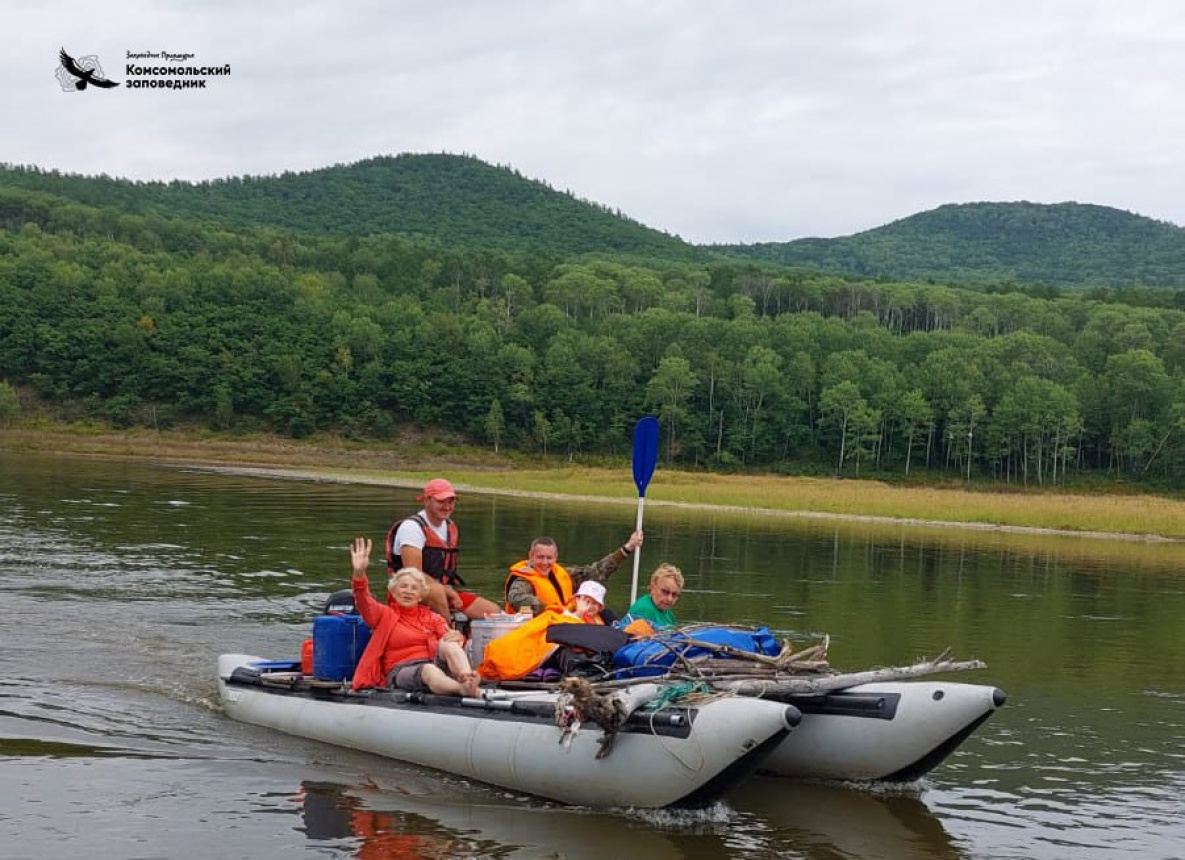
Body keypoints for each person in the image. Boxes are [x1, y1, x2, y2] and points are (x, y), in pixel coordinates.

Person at [348, 536, 481, 696]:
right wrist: (359, 574)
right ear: (394, 591)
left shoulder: (432, 618)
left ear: (420, 596)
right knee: (428, 670)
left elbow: (453, 643)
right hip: (400, 670)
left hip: (432, 661)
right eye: (403, 587)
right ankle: (461, 689)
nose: (408, 591)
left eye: (413, 588)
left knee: (449, 644)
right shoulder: (384, 614)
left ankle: (467, 679)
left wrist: (458, 637)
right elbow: (363, 601)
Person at [387, 478, 500, 626]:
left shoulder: (450, 526)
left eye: (451, 502)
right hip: (409, 591)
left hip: (442, 591)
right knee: (437, 592)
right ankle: (447, 633)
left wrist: (449, 590)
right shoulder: (412, 527)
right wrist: (446, 591)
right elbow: (413, 574)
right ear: (427, 500)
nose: (447, 507)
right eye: (441, 501)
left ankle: (473, 641)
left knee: (493, 612)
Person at [504, 530, 644, 617]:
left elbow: (595, 572)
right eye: (540, 557)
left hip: (564, 623)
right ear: (531, 556)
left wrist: (627, 548)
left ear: (556, 557)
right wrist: (554, 610)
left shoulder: (563, 573)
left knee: (606, 614)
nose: (545, 562)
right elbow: (517, 598)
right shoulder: (523, 579)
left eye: (549, 558)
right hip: (540, 629)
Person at [618, 563, 684, 631]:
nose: (670, 599)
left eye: (674, 595)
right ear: (652, 587)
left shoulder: (668, 613)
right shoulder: (644, 609)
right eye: (665, 592)